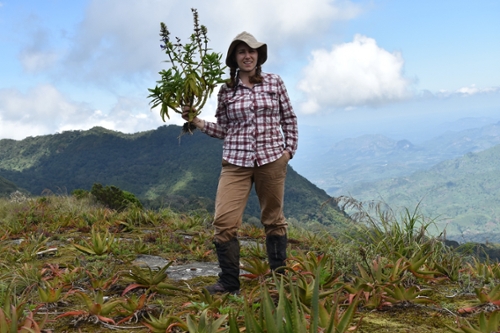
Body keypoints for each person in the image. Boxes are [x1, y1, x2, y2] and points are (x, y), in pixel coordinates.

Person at [183, 31, 298, 294]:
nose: (247, 56)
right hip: (235, 162)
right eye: (241, 51)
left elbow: (289, 118)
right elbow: (224, 129)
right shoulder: (226, 91)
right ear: (234, 58)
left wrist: (288, 151)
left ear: (259, 56)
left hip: (271, 159)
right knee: (224, 222)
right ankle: (229, 283)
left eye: (252, 51)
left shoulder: (274, 82)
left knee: (273, 220)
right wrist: (197, 121)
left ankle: (280, 280)